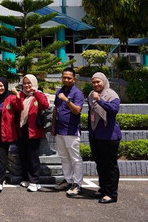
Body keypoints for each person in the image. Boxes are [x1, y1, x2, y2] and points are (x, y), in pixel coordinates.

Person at [88, 72, 121, 204]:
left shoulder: (112, 95)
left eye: (98, 82)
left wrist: (100, 100)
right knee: (100, 164)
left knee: (110, 166)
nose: (96, 84)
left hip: (109, 136)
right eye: (94, 82)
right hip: (96, 135)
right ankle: (103, 189)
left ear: (104, 82)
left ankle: (112, 194)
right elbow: (91, 113)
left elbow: (113, 110)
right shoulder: (91, 95)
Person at [51, 67, 84, 196]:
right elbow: (56, 109)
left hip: (71, 131)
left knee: (75, 159)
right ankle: (68, 180)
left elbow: (77, 110)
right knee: (64, 158)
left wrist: (66, 100)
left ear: (74, 79)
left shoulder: (77, 93)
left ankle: (78, 184)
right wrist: (53, 126)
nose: (66, 79)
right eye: (64, 77)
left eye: (69, 78)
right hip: (60, 130)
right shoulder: (59, 91)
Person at [0, 77, 22, 193]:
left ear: (6, 85)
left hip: (5, 131)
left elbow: (19, 107)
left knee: (2, 155)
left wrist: (17, 95)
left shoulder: (10, 97)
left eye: (1, 86)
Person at [18, 74, 50, 192]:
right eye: (25, 83)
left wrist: (36, 92)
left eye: (29, 83)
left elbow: (45, 105)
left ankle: (35, 181)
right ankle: (25, 178)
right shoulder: (21, 95)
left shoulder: (38, 95)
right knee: (23, 155)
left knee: (33, 157)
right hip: (22, 129)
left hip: (33, 130)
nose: (27, 86)